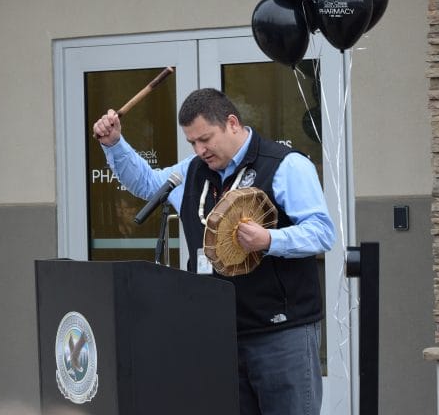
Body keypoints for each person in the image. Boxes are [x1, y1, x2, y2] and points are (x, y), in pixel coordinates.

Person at [92, 87, 335, 415]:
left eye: (205, 139)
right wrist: (114, 144)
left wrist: (269, 240)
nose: (199, 150)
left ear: (232, 123)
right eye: (192, 142)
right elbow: (148, 184)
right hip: (218, 333)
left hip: (281, 333)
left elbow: (322, 233)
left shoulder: (286, 165)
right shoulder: (192, 171)